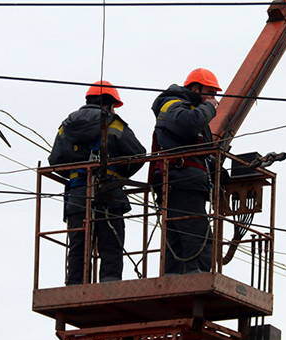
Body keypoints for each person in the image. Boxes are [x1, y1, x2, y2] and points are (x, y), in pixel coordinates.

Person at [49, 81, 146, 285]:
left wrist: (77, 174)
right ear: (109, 103)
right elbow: (138, 154)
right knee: (111, 245)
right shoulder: (113, 123)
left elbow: (55, 161)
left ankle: (75, 286)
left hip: (78, 195)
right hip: (109, 193)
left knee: (78, 245)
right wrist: (119, 174)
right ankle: (110, 284)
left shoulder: (66, 126)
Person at [150, 68, 221, 275]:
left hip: (185, 180)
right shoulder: (173, 105)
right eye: (210, 93)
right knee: (196, 234)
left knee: (179, 233)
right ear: (195, 88)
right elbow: (188, 125)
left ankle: (175, 276)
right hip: (182, 180)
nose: (213, 99)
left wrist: (219, 171)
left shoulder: (190, 110)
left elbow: (200, 151)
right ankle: (196, 275)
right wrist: (208, 107)